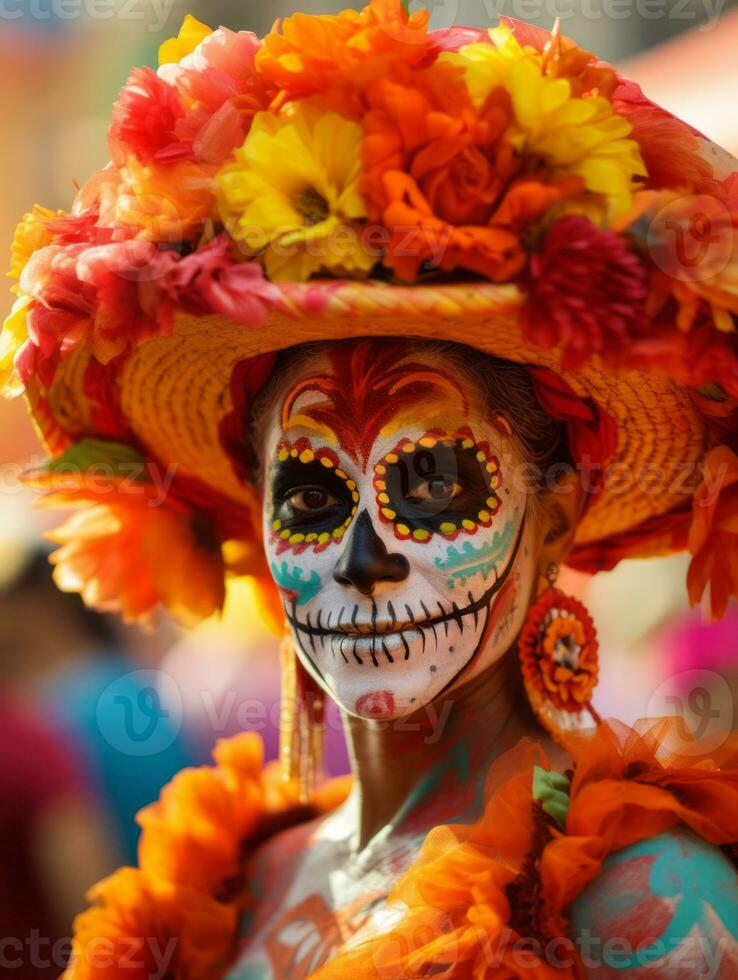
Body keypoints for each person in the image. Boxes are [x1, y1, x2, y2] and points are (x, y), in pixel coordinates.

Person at [3, 3, 738, 977]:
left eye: (432, 481)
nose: (363, 556)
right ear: (258, 513)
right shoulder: (233, 891)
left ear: (553, 516)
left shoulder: (638, 904)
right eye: (310, 493)